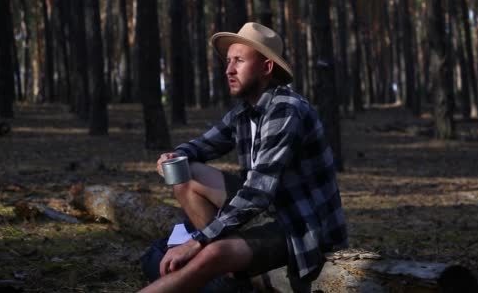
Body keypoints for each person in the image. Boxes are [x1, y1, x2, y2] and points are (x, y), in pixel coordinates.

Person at [139, 22, 348, 292]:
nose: (228, 69)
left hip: (301, 226)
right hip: (270, 211)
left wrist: (197, 242)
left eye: (239, 60)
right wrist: (176, 154)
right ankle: (240, 272)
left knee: (212, 254)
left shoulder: (286, 110)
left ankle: (227, 264)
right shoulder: (244, 112)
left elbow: (258, 193)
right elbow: (204, 144)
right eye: (228, 61)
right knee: (185, 172)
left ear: (266, 68)